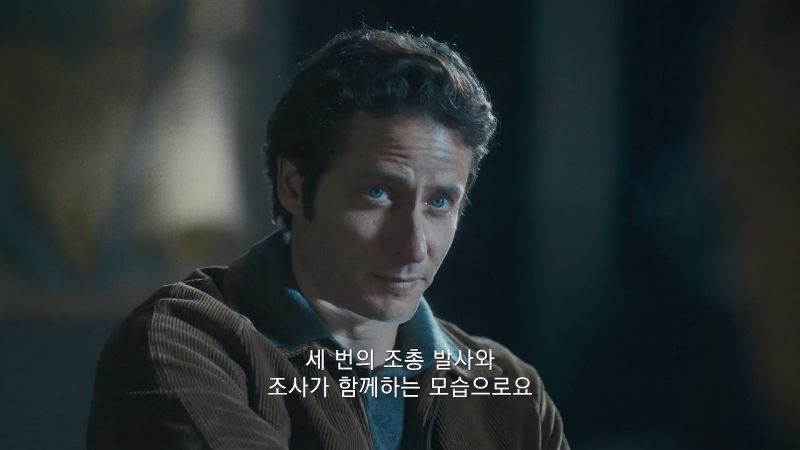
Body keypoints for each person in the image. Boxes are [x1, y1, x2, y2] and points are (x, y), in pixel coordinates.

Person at [87, 28, 569, 450]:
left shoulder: (507, 390)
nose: (414, 245)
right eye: (378, 193)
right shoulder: (189, 344)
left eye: (439, 202)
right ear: (294, 186)